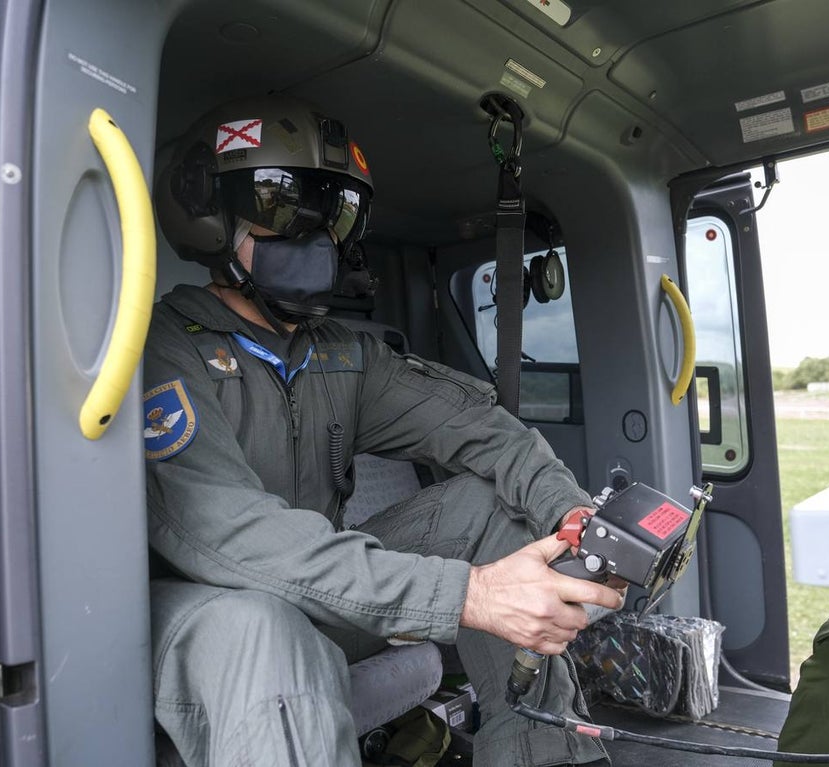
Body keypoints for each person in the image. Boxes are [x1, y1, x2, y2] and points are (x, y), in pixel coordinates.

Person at [144, 93, 624, 767]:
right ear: (208, 215)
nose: (315, 240)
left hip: (319, 595)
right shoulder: (166, 350)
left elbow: (479, 427)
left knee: (490, 504)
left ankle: (541, 751)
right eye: (281, 209)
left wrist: (571, 515)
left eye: (335, 214)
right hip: (204, 613)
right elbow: (232, 533)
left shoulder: (343, 353)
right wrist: (470, 593)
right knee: (266, 625)